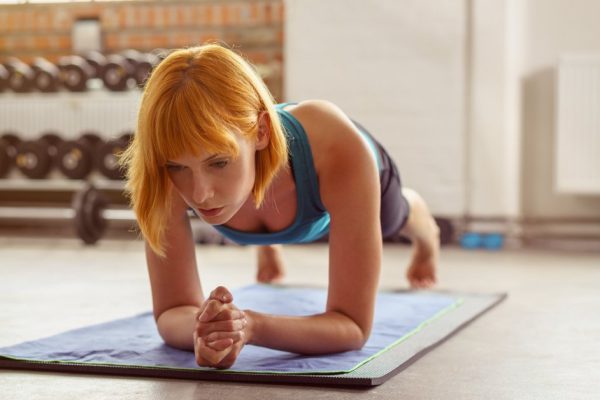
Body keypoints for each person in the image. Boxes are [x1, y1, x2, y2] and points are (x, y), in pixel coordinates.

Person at [120, 43, 440, 369]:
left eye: (218, 163)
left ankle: (426, 230)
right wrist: (209, 331)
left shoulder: (339, 150)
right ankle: (268, 243)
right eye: (178, 167)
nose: (199, 194)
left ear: (260, 132)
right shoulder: (164, 167)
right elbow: (171, 311)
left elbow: (352, 327)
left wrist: (251, 325)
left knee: (396, 218)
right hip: (267, 187)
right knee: (232, 191)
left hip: (356, 178)